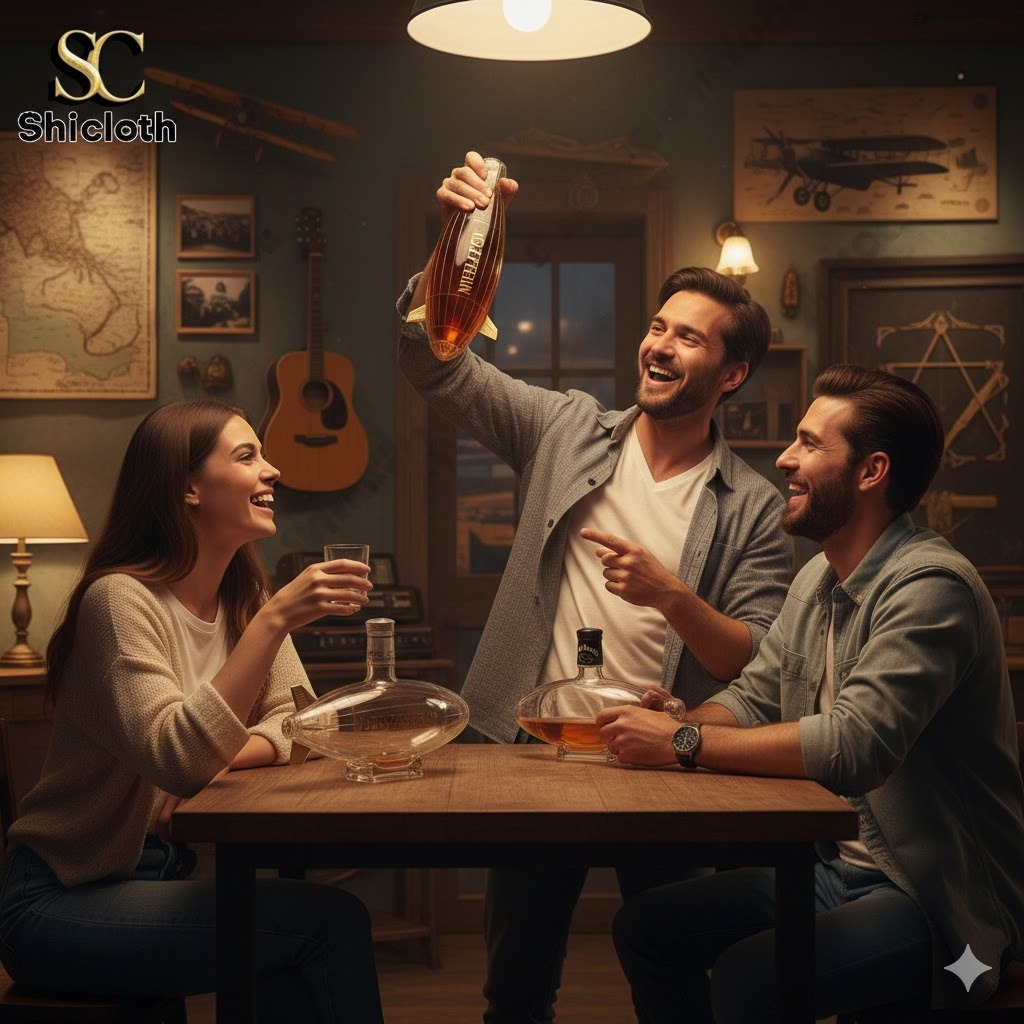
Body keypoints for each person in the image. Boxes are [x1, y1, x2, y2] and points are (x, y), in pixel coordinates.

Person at [398, 151, 793, 1023]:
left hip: (661, 761)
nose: (660, 345)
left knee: (673, 971)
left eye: (689, 338)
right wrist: (454, 244)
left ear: (731, 375)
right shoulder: (566, 428)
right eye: (658, 327)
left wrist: (672, 596)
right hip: (535, 749)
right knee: (517, 986)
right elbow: (434, 364)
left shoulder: (754, 506)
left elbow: (757, 654)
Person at [600, 364, 1024, 1022]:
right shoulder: (818, 579)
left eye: (809, 443)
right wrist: (683, 716)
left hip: (949, 912)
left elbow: (854, 745)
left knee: (748, 978)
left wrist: (681, 742)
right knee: (647, 928)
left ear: (871, 472)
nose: (785, 458)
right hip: (833, 873)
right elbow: (754, 698)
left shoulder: (932, 587)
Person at [0, 400, 383, 1023]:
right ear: (188, 488)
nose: (273, 470)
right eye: (247, 456)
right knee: (326, 922)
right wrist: (275, 621)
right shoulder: (119, 603)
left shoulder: (243, 597)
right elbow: (179, 760)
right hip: (61, 898)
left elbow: (310, 724)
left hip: (160, 881)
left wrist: (221, 757)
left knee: (301, 935)